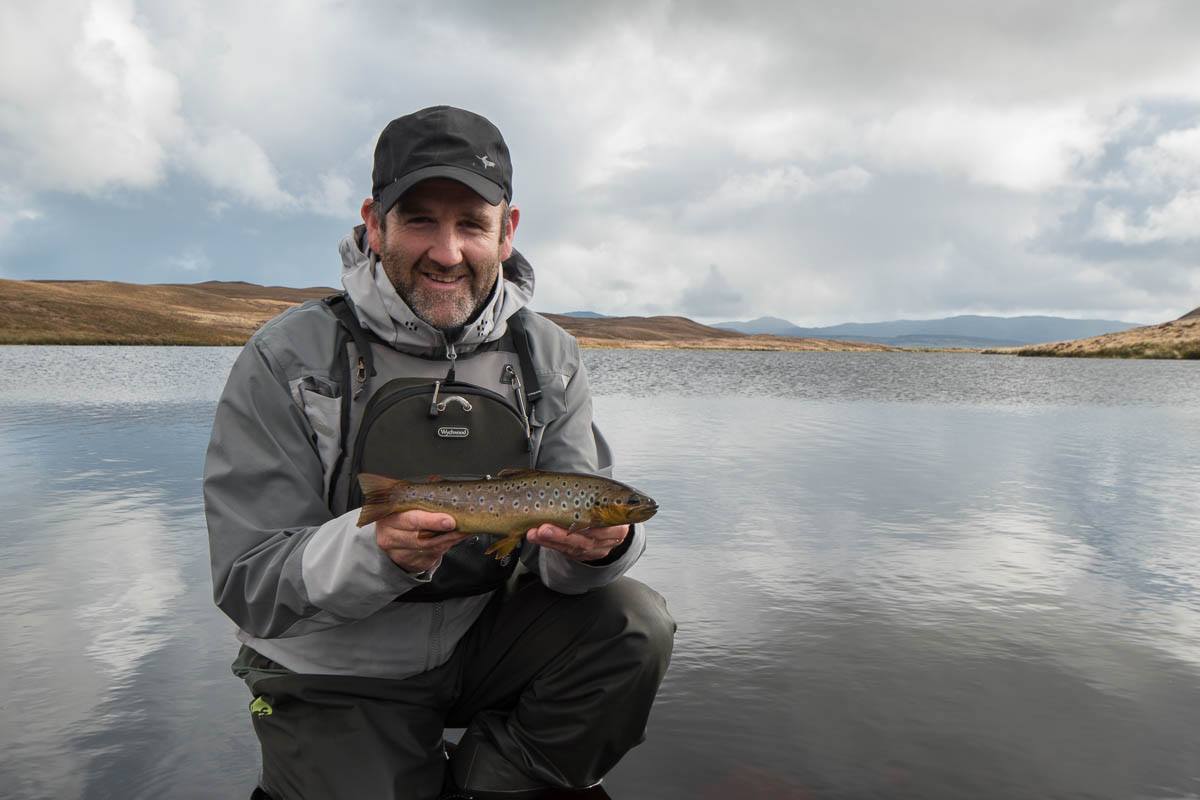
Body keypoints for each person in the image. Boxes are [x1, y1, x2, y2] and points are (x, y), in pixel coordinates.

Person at [202, 105, 675, 800]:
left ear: (507, 231)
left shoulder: (549, 357)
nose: (447, 252)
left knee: (634, 621)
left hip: (482, 640)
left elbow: (561, 570)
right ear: (374, 222)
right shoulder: (288, 356)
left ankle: (497, 779)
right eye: (420, 218)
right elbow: (247, 584)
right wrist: (375, 551)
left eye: (471, 224)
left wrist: (603, 549)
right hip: (333, 668)